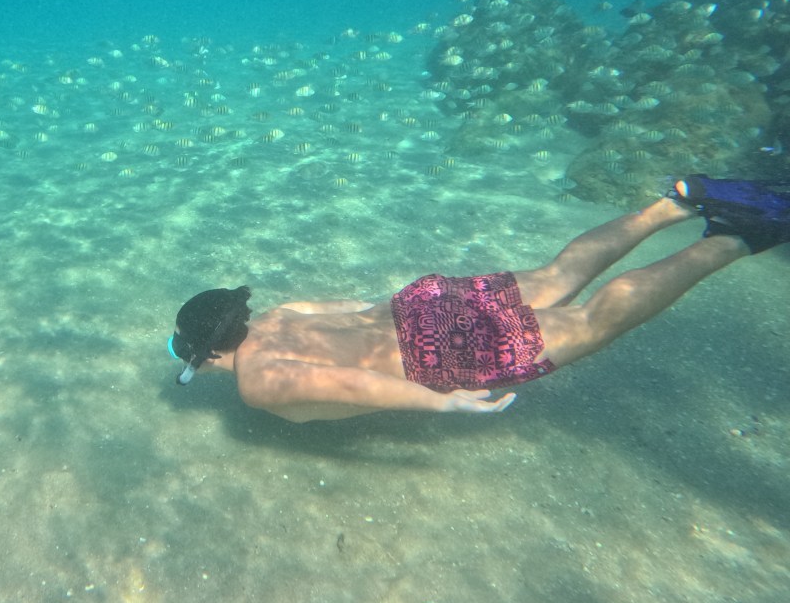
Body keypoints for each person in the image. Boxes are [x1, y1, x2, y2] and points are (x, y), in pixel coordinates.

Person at [166, 177, 790, 423]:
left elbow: (358, 388)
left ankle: (733, 241)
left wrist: (446, 403)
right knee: (556, 276)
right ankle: (673, 203)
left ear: (204, 357)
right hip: (413, 307)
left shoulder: (259, 381)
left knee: (593, 318)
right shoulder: (276, 316)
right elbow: (345, 301)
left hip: (435, 355)